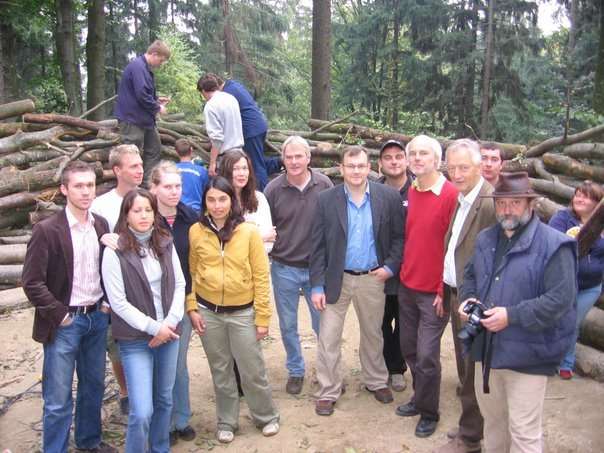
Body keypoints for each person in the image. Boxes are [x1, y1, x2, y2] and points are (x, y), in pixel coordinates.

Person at [459, 171, 577, 453]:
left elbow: (560, 300)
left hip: (529, 355)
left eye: (515, 202)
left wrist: (511, 316)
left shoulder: (555, 244)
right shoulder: (487, 238)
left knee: (524, 433)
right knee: (494, 425)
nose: (507, 209)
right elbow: (471, 275)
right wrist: (468, 299)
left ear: (530, 204)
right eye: (501, 203)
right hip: (486, 351)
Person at [22, 161, 116, 453]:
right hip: (65, 322)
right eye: (78, 185)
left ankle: (89, 442)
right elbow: (32, 282)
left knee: (93, 387)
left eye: (90, 185)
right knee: (58, 397)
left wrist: (106, 304)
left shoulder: (100, 224)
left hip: (96, 319)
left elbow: (110, 270)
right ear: (64, 190)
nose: (86, 191)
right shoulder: (47, 230)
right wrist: (60, 314)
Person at [310, 146, 404, 416]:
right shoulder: (326, 200)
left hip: (372, 278)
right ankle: (328, 390)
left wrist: (390, 267)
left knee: (373, 333)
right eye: (350, 166)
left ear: (370, 167)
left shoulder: (388, 197)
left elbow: (399, 238)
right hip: (335, 279)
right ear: (341, 168)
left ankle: (375, 380)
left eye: (361, 166)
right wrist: (317, 285)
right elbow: (316, 246)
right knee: (328, 337)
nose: (356, 171)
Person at [187, 177, 280, 444]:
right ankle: (227, 420)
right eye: (211, 199)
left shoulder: (248, 231)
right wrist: (192, 306)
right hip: (209, 312)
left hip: (243, 313)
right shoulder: (196, 231)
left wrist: (262, 317)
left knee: (252, 369)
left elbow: (261, 277)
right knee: (221, 369)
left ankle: (266, 416)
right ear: (205, 202)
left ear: (232, 201)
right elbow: (192, 271)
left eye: (223, 199)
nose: (217, 205)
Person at [101, 189, 186, 453]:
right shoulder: (115, 251)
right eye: (137, 210)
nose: (143, 215)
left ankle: (160, 448)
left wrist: (169, 323)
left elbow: (180, 284)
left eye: (148, 210)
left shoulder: (164, 242)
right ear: (126, 215)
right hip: (136, 340)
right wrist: (154, 327)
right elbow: (118, 303)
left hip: (169, 334)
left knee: (164, 400)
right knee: (142, 410)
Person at [435, 139, 496, 453]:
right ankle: (470, 425)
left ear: (479, 167)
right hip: (456, 294)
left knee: (473, 367)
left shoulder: (488, 202)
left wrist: (479, 300)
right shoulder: (463, 198)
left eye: (464, 167)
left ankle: (471, 437)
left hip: (475, 300)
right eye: (452, 167)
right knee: (464, 365)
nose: (456, 174)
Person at [396, 135, 458, 438]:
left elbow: (455, 248)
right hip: (408, 286)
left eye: (424, 154)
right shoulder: (413, 190)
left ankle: (429, 412)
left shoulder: (449, 194)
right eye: (413, 154)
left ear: (437, 159)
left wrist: (442, 290)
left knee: (427, 354)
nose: (417, 158)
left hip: (434, 292)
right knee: (408, 347)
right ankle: (419, 397)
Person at [264, 136, 333, 395]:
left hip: (317, 269)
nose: (293, 161)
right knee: (288, 324)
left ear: (308, 158)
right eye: (289, 157)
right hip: (284, 267)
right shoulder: (273, 189)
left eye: (298, 156)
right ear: (283, 159)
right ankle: (295, 369)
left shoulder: (324, 184)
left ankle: (327, 369)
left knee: (323, 324)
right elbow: (266, 227)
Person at [91, 144, 144, 414]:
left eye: (141, 164)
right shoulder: (101, 206)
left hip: (146, 289)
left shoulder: (147, 199)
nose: (140, 169)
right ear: (116, 170)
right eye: (133, 166)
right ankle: (125, 392)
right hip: (114, 292)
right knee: (117, 346)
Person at [148, 162, 199, 445]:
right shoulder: (143, 216)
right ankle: (163, 423)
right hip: (150, 305)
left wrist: (191, 303)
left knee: (177, 364)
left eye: (177, 186)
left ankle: (181, 418)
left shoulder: (189, 218)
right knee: (157, 366)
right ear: (153, 188)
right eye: (167, 186)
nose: (173, 192)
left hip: (181, 303)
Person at [548, 180, 604, 380]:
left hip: (591, 286)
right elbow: (550, 242)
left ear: (597, 203)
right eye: (578, 194)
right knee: (559, 320)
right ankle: (549, 359)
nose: (579, 199)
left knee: (573, 322)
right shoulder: (563, 217)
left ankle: (566, 362)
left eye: (586, 196)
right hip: (562, 282)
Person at [377, 139, 413, 392]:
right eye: (387, 157)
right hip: (378, 270)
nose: (393, 161)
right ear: (380, 164)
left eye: (398, 156)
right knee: (378, 322)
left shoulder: (419, 189)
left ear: (406, 161)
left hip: (410, 271)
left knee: (404, 323)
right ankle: (385, 366)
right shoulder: (371, 190)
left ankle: (398, 368)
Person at [209, 73, 282, 190]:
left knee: (256, 167)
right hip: (258, 125)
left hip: (250, 130)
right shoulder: (233, 85)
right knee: (255, 160)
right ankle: (279, 162)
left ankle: (262, 194)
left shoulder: (226, 93)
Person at [114, 40, 170, 184]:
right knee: (131, 156)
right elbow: (141, 95)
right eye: (161, 60)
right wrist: (158, 108)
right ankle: (130, 189)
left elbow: (143, 93)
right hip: (132, 120)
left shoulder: (145, 69)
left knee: (154, 149)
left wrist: (157, 99)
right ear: (154, 54)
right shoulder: (138, 67)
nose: (161, 64)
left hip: (145, 120)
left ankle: (147, 185)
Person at [219, 149, 276, 251]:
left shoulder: (259, 198)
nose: (242, 173)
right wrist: (261, 237)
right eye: (235, 169)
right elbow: (221, 243)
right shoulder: (218, 201)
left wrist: (240, 241)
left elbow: (269, 244)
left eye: (245, 168)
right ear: (226, 171)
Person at [197, 74, 244, 177]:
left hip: (226, 158)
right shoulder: (231, 98)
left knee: (224, 189)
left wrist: (213, 163)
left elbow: (217, 139)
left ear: (203, 91)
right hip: (240, 153)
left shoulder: (210, 106)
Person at [174, 138, 209, 214]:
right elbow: (206, 190)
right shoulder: (202, 171)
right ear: (191, 150)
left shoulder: (171, 170)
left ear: (176, 152)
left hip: (176, 209)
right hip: (196, 211)